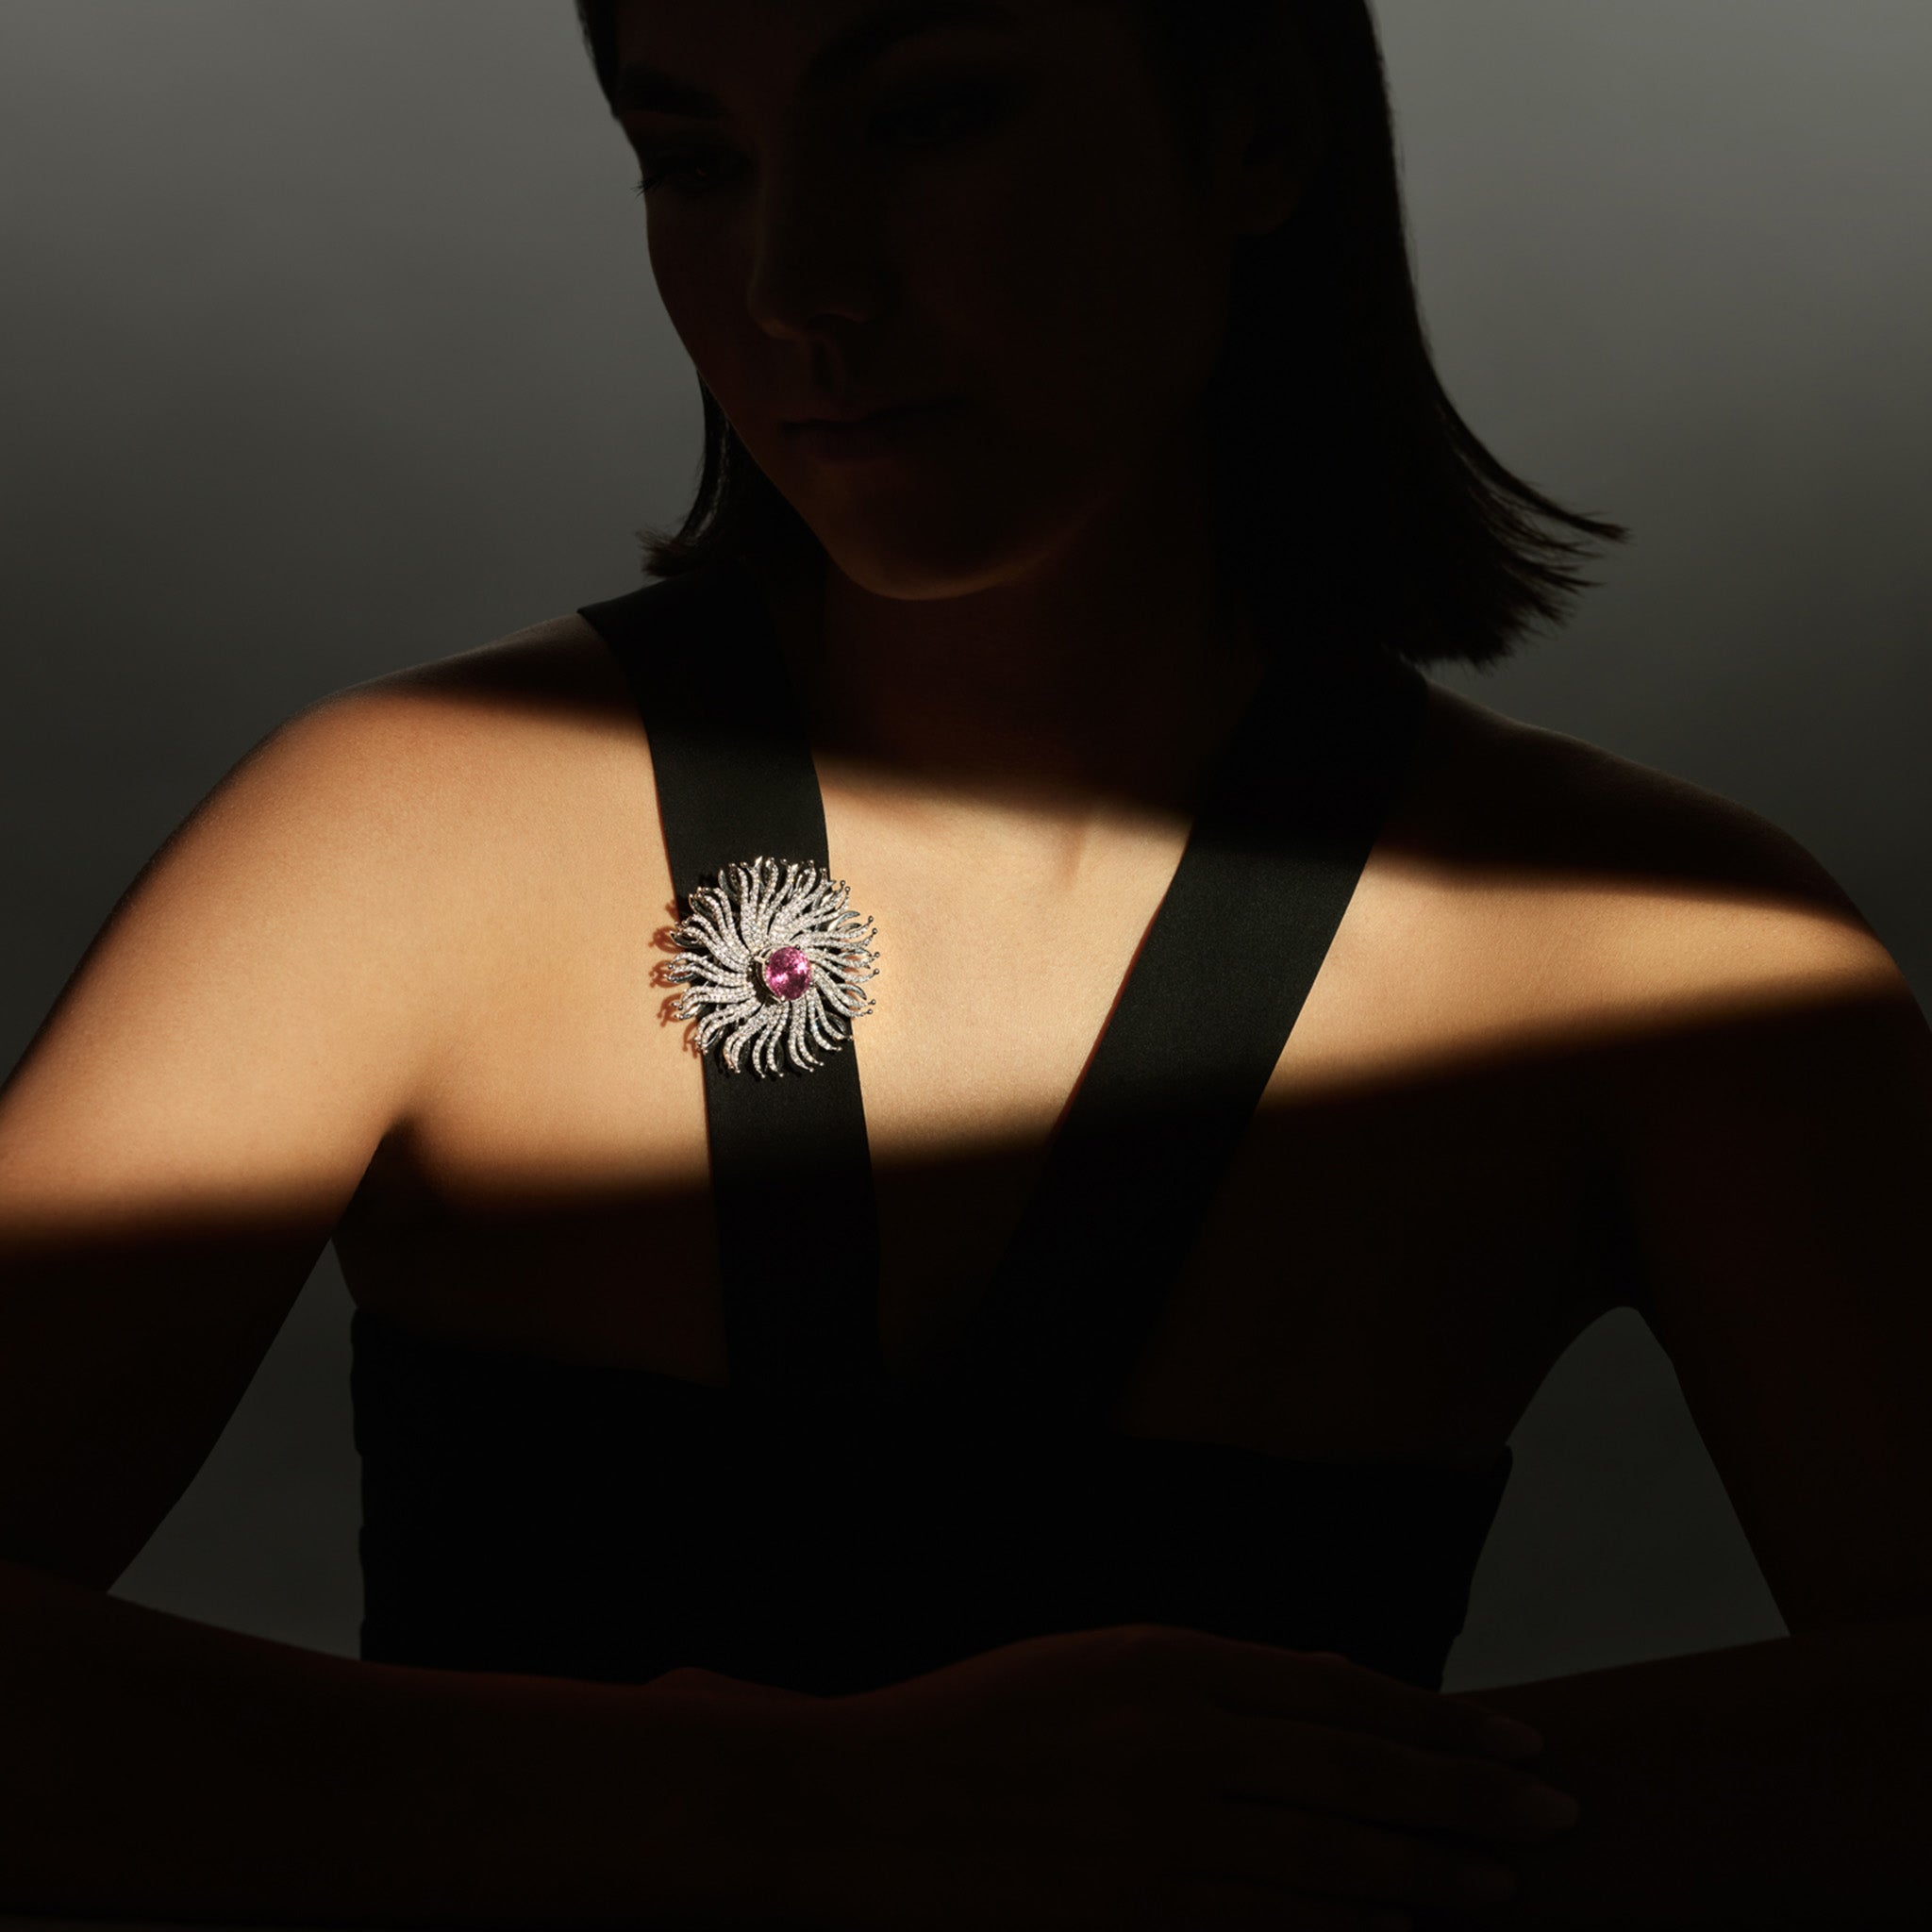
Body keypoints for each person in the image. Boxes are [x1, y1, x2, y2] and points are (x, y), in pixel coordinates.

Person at [2, 2, 1927, 1927]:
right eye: (691, 158)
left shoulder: (1664, 956)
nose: (795, 282)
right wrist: (788, 1818)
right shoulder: (399, 838)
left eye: (925, 121)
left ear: (1254, 141)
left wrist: (1249, 1834)